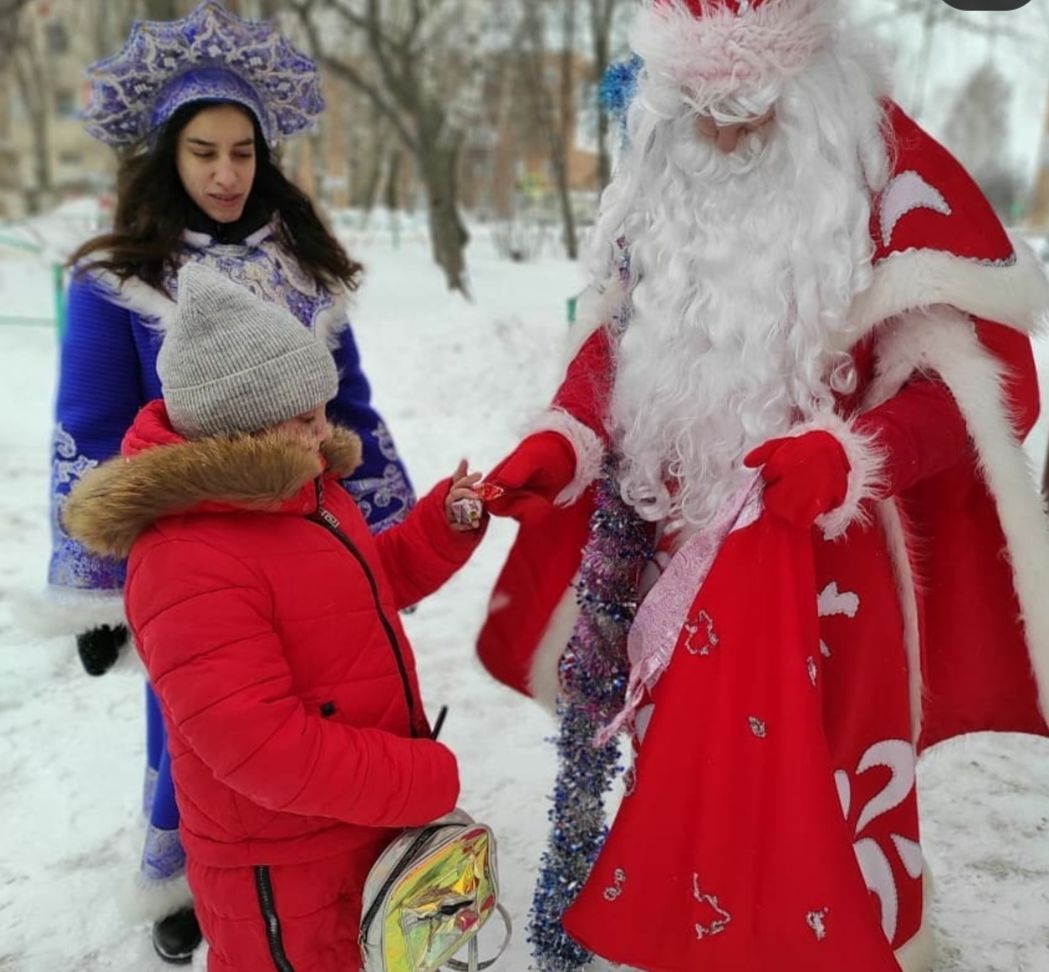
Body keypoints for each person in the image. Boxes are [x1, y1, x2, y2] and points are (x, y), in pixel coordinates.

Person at [476, 1, 1049, 970]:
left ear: (810, 88)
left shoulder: (885, 187)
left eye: (747, 105)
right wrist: (565, 439)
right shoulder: (661, 186)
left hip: (830, 578)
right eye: (696, 104)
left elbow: (981, 386)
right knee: (686, 775)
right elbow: (618, 350)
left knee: (827, 785)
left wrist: (852, 451)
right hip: (671, 562)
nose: (721, 131)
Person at [45, 1, 416, 961]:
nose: (223, 172)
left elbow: (352, 410)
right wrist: (93, 588)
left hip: (307, 535)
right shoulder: (119, 278)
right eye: (203, 150)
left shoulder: (305, 269)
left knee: (317, 710)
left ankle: (324, 864)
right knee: (195, 722)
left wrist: (381, 535)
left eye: (242, 152)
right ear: (169, 155)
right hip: (197, 546)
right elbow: (89, 427)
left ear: (264, 155)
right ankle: (183, 878)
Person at [62, 262, 485, 972]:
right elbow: (258, 744)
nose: (324, 430)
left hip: (352, 827)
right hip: (282, 867)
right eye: (303, 417)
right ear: (240, 430)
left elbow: (358, 592)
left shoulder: (302, 491)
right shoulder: (184, 556)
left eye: (322, 407)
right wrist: (416, 778)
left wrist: (439, 526)